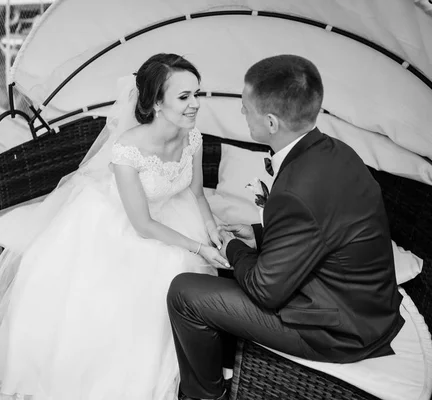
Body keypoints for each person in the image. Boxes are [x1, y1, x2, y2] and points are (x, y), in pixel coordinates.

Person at [0, 53, 229, 400]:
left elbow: (197, 195)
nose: (195, 105)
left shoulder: (193, 139)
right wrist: (197, 246)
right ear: (157, 103)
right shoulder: (128, 148)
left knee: (185, 271)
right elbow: (142, 225)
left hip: (172, 215)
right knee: (151, 279)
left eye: (197, 94)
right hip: (122, 224)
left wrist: (211, 228)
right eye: (184, 96)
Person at [167, 54, 405, 400]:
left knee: (183, 292)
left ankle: (203, 395)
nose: (242, 113)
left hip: (338, 328)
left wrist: (231, 244)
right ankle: (224, 359)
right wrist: (258, 233)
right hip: (369, 307)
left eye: (246, 106)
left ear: (271, 122)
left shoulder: (297, 189)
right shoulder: (339, 151)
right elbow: (323, 230)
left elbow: (265, 289)